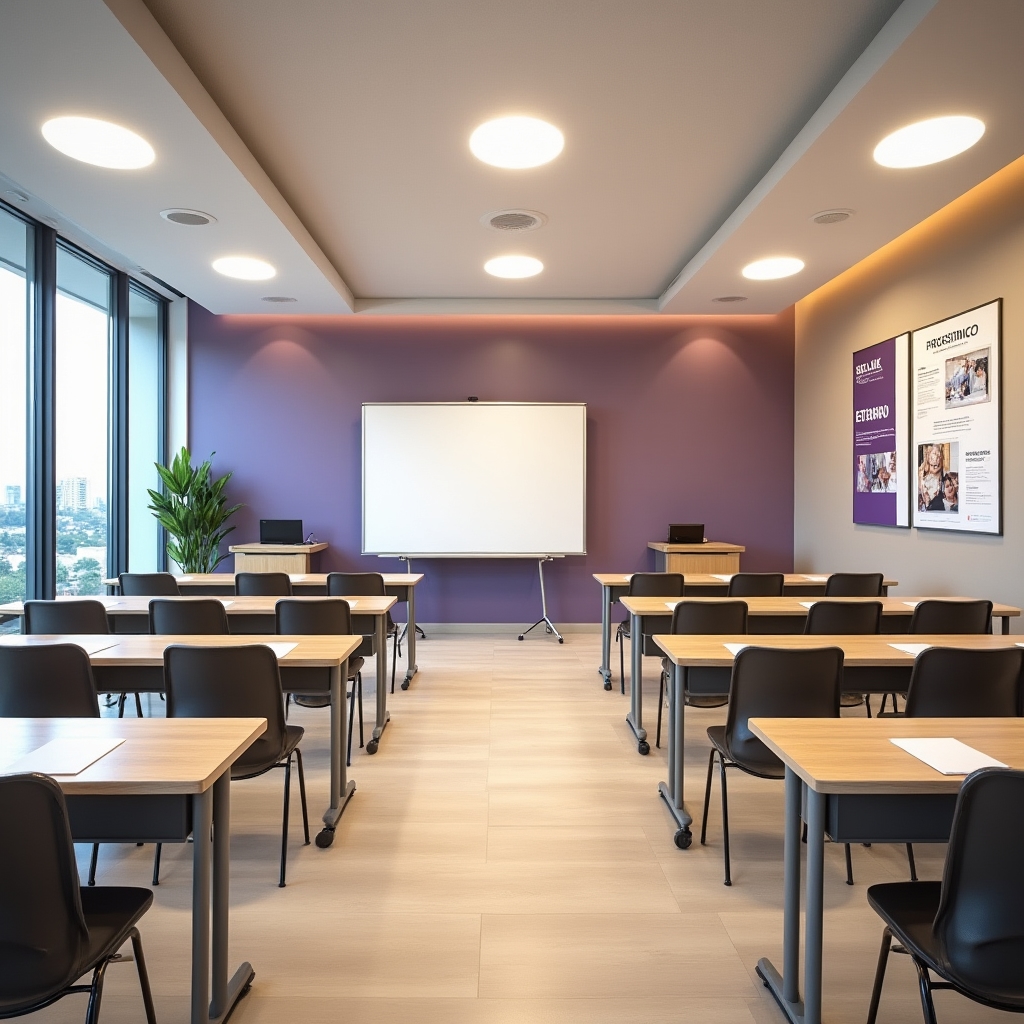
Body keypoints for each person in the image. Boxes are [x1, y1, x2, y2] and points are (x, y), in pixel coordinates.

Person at [918, 444, 944, 509]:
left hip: (934, 501)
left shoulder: (938, 470)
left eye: (938, 454)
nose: (937, 456)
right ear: (928, 455)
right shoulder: (923, 469)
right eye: (934, 453)